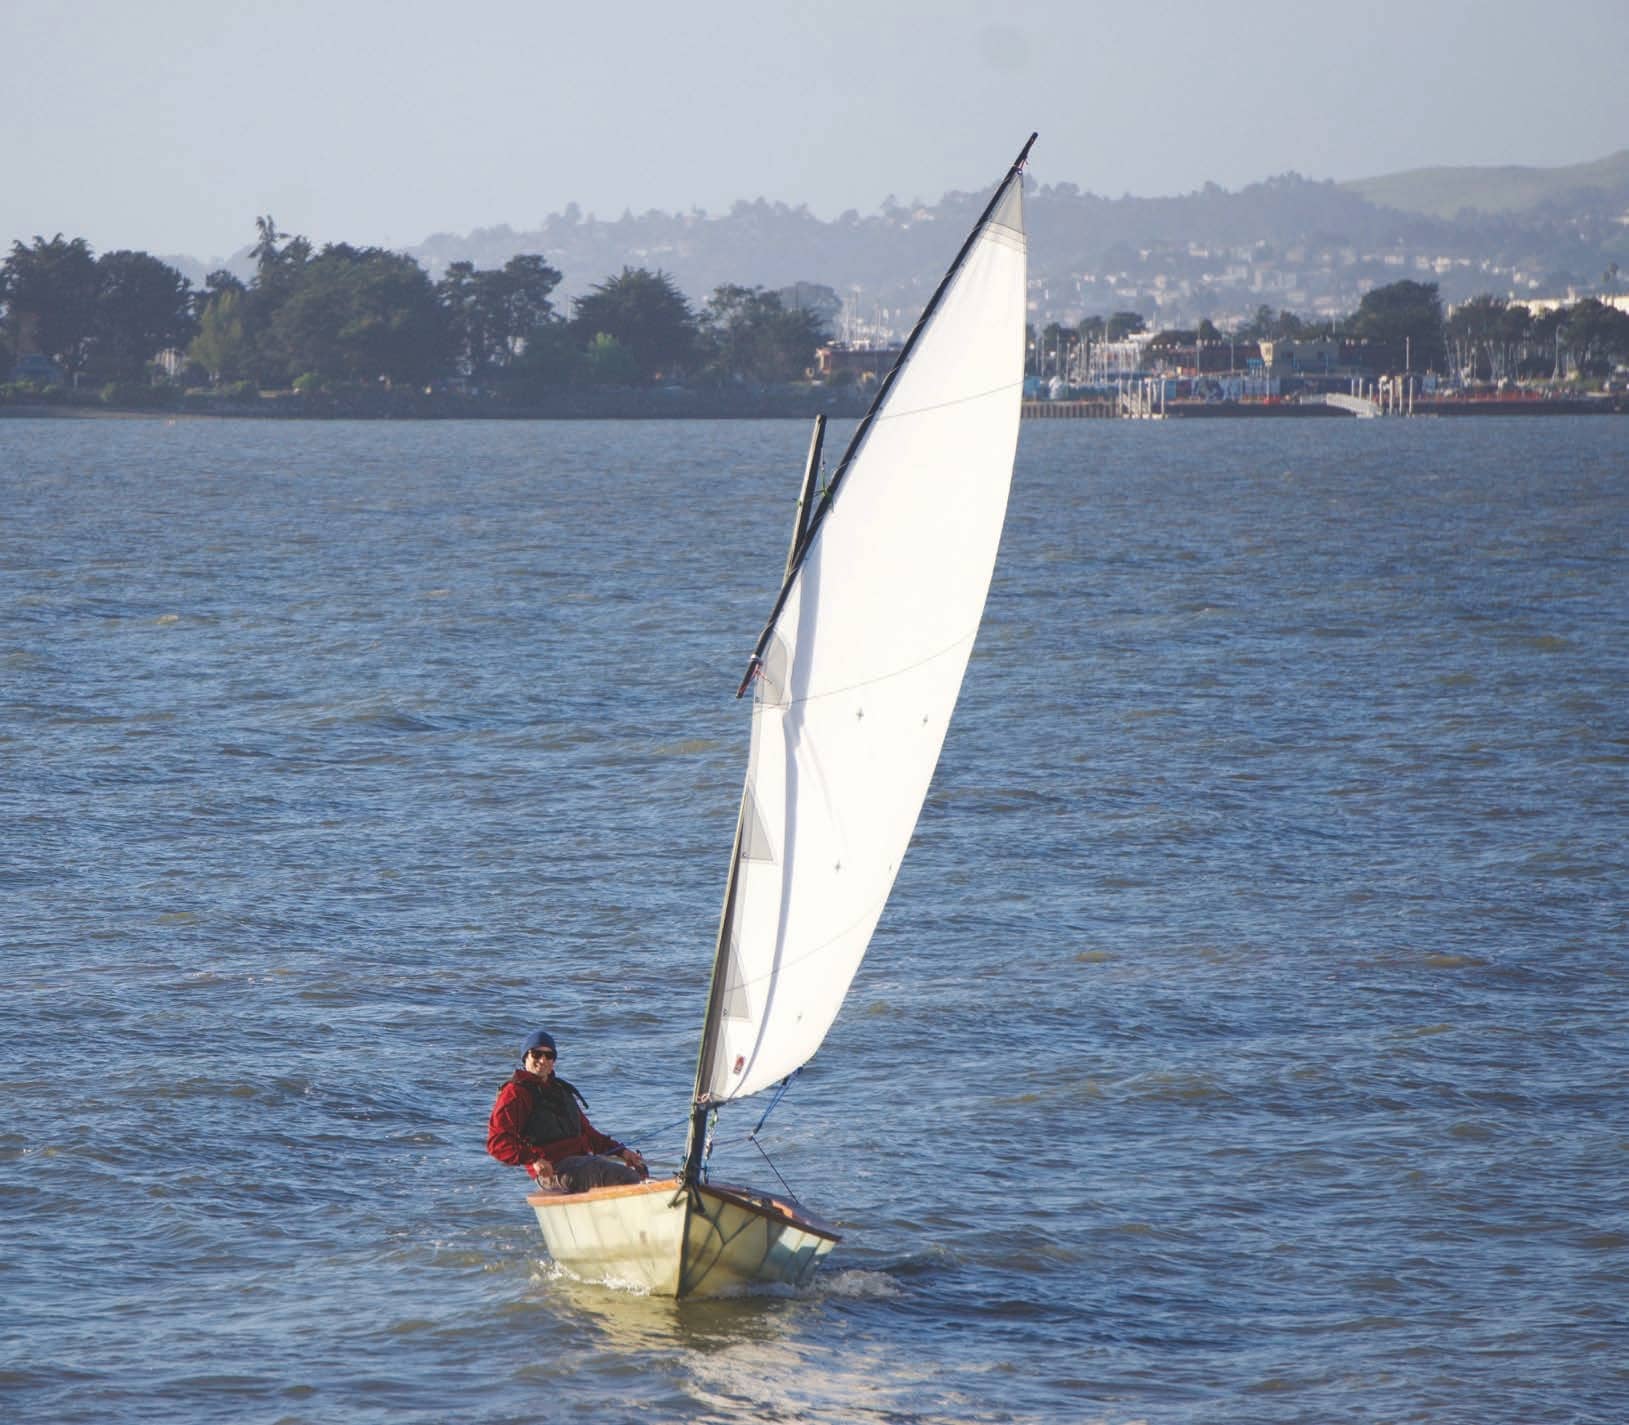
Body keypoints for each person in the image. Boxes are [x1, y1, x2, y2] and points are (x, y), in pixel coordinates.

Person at [486, 1029, 648, 1192]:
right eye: (536, 1054)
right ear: (525, 1058)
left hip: (581, 1163)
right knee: (623, 1176)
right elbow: (497, 1143)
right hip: (553, 1171)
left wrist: (623, 1152)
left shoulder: (561, 1090)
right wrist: (534, 1160)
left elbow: (589, 1134)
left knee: (640, 1171)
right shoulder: (515, 1093)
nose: (543, 1060)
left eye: (549, 1056)